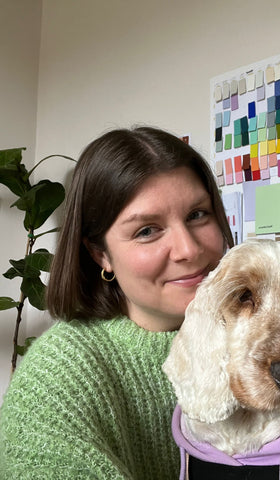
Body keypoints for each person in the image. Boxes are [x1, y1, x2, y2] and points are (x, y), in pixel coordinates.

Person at [0, 126, 234, 479]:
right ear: (100, 254)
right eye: (147, 230)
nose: (189, 249)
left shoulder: (251, 330)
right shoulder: (59, 377)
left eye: (197, 214)